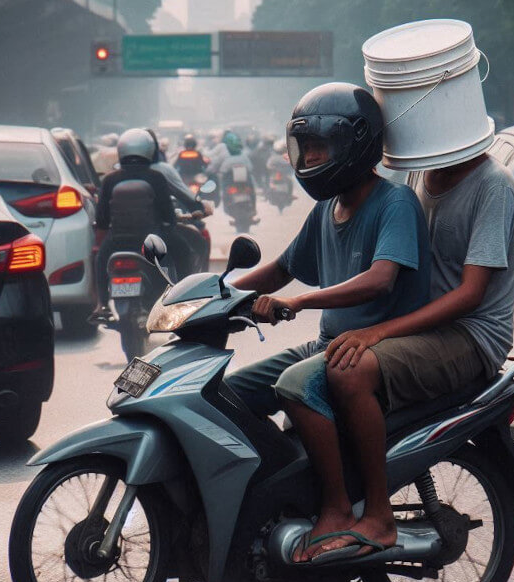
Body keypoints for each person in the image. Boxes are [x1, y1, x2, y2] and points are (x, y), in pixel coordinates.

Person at [279, 145, 514, 563]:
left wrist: (376, 332)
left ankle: (378, 515)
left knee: (349, 372)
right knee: (294, 382)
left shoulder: (493, 185)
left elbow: (470, 294)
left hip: (469, 335)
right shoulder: (417, 175)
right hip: (420, 330)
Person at [224, 83, 432, 552]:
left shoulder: (393, 202)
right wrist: (213, 295)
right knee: (231, 393)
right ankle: (287, 485)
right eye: (306, 149)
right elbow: (281, 269)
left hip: (377, 346)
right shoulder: (327, 208)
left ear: (355, 143)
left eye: (320, 147)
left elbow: (381, 279)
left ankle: (337, 507)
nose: (311, 158)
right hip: (329, 343)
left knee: (297, 384)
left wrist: (302, 302)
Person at [89, 128, 198, 323]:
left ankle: (102, 305)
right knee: (184, 251)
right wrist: (169, 223)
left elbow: (103, 219)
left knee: (99, 259)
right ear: (149, 150)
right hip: (153, 240)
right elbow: (168, 216)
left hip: (117, 241)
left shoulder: (110, 179)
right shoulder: (156, 177)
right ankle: (183, 299)